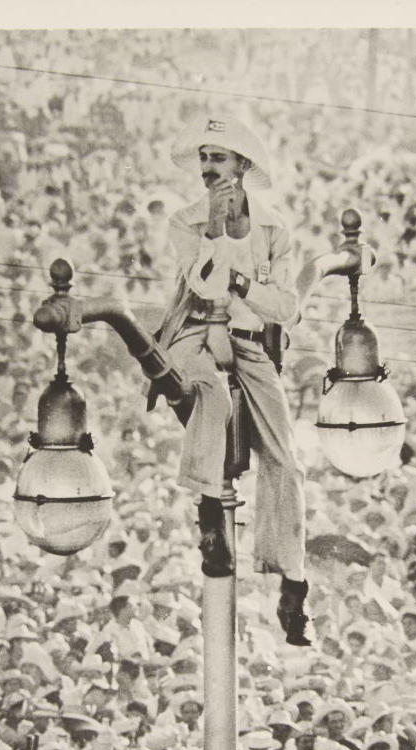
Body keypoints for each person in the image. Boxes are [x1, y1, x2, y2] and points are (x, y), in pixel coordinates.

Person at [150, 115, 312, 646]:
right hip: (194, 334)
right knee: (211, 398)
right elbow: (201, 283)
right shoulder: (186, 221)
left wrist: (242, 280)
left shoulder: (274, 228)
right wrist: (217, 234)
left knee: (285, 458)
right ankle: (209, 515)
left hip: (248, 342)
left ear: (242, 165)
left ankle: (291, 576)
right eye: (203, 158)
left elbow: (285, 306)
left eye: (217, 158)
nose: (208, 168)